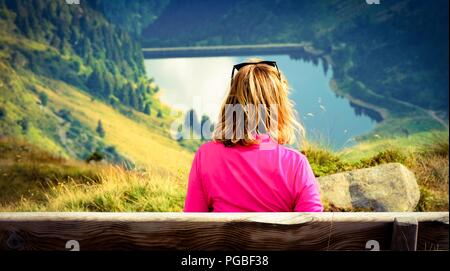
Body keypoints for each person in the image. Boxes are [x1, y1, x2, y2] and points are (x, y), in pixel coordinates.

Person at [184, 59, 323, 212]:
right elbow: (312, 225)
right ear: (279, 107)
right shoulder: (296, 164)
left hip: (225, 237)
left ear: (232, 102)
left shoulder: (206, 156)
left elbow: (193, 217)